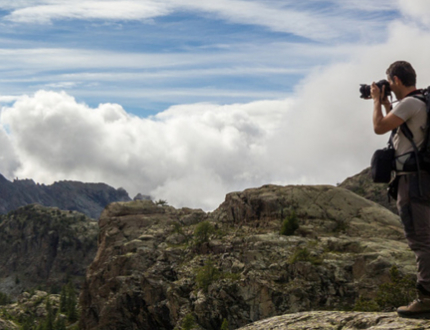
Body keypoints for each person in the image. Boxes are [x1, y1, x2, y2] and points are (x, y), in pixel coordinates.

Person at [371, 60, 430, 318]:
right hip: (423, 178)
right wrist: (387, 105)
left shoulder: (409, 104)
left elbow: (379, 127)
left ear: (395, 80)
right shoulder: (421, 102)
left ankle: (426, 298)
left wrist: (376, 102)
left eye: (389, 82)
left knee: (420, 240)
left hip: (412, 181)